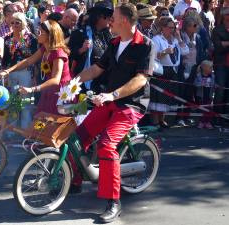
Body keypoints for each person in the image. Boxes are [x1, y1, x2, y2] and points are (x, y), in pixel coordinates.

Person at [70, 3, 155, 223]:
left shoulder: (145, 45)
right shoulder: (114, 42)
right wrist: (74, 81)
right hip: (108, 100)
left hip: (131, 105)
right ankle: (75, 180)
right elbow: (97, 69)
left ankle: (113, 201)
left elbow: (141, 79)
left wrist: (113, 95)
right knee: (77, 137)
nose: (110, 21)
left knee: (106, 144)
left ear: (125, 21)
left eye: (113, 18)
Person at [0, 20, 71, 115]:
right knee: (42, 120)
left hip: (61, 92)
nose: (37, 34)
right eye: (37, 31)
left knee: (53, 124)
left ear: (50, 35)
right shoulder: (44, 48)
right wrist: (8, 71)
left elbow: (56, 80)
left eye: (40, 32)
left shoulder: (58, 52)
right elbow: (28, 61)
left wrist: (32, 89)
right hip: (50, 89)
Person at [149, 17, 189, 128]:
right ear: (163, 27)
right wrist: (164, 52)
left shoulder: (175, 40)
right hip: (161, 71)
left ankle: (162, 120)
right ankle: (155, 122)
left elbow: (186, 51)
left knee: (166, 98)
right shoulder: (157, 39)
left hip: (172, 71)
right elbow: (153, 56)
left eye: (174, 27)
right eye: (170, 27)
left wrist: (179, 38)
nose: (172, 30)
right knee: (158, 97)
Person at [2, 12, 38, 128]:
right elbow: (6, 58)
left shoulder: (31, 38)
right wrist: (5, 73)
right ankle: (12, 130)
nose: (14, 25)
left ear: (23, 23)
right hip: (12, 71)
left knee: (25, 102)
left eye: (17, 22)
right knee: (12, 101)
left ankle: (25, 129)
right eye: (12, 22)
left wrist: (34, 77)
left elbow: (33, 58)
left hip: (27, 72)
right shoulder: (7, 38)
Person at [68, 0, 113, 92]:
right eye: (109, 17)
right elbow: (69, 54)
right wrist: (81, 50)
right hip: (83, 83)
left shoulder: (108, 35)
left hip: (102, 83)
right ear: (100, 16)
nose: (111, 19)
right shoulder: (79, 33)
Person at [211, 7, 229, 127]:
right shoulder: (217, 30)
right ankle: (216, 116)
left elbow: (223, 44)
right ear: (224, 16)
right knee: (220, 91)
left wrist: (225, 42)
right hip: (221, 64)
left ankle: (226, 117)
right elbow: (218, 46)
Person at [194, 60, 214, 129]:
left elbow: (213, 84)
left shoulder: (212, 76)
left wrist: (216, 85)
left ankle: (208, 122)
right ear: (205, 68)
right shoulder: (199, 75)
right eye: (210, 67)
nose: (212, 69)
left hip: (209, 96)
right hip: (201, 96)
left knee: (209, 109)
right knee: (202, 109)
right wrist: (200, 84)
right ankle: (201, 122)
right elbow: (195, 84)